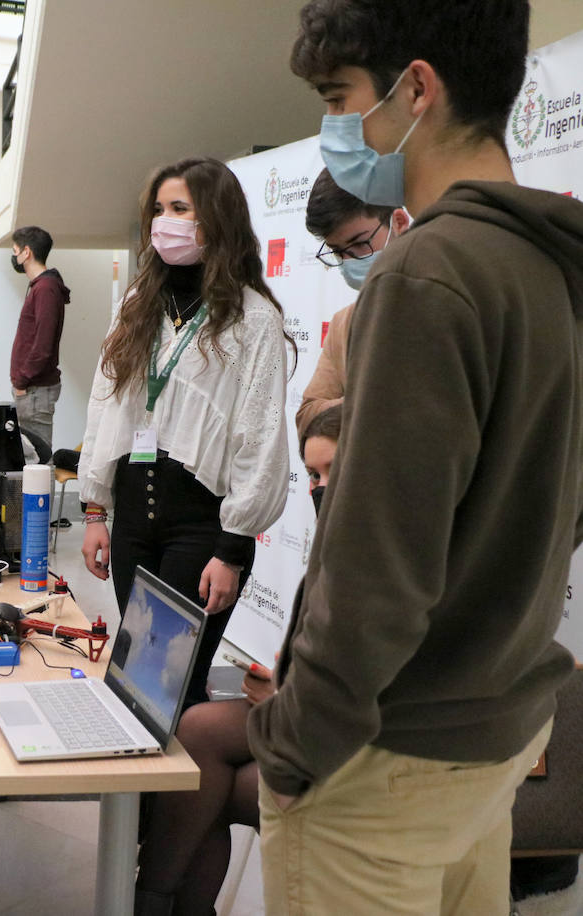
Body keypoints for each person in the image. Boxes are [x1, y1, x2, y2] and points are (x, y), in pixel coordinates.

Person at [250, 3, 583, 912]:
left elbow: (375, 574)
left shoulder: (428, 272)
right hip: (493, 736)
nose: (334, 129)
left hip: (385, 761)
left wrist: (289, 747)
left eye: (340, 98)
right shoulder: (555, 266)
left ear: (418, 89)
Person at [79, 156, 291, 709]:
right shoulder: (136, 305)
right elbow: (105, 408)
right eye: (158, 209)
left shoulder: (253, 319)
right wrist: (96, 510)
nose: (163, 222)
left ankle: (171, 797)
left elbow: (259, 438)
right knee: (135, 681)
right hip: (131, 518)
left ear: (216, 220)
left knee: (172, 690)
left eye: (179, 209)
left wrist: (233, 549)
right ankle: (138, 798)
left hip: (199, 527)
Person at [133, 406, 340, 916]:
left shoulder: (390, 547)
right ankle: (158, 902)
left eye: (335, 470)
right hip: (317, 712)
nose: (319, 488)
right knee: (198, 728)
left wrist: (289, 697)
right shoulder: (345, 537)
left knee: (204, 783)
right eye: (314, 475)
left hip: (369, 740)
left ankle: (148, 899)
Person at [295, 168, 410, 436]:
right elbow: (308, 417)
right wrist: (372, 405)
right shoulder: (344, 324)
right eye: (337, 252)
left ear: (400, 222)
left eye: (360, 244)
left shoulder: (448, 302)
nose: (349, 261)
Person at [9, 225, 70, 448]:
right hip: (31, 389)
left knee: (37, 462)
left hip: (34, 390)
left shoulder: (46, 288)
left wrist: (22, 380)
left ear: (27, 252)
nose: (14, 256)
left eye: (15, 251)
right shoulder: (41, 286)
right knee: (29, 459)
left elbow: (43, 344)